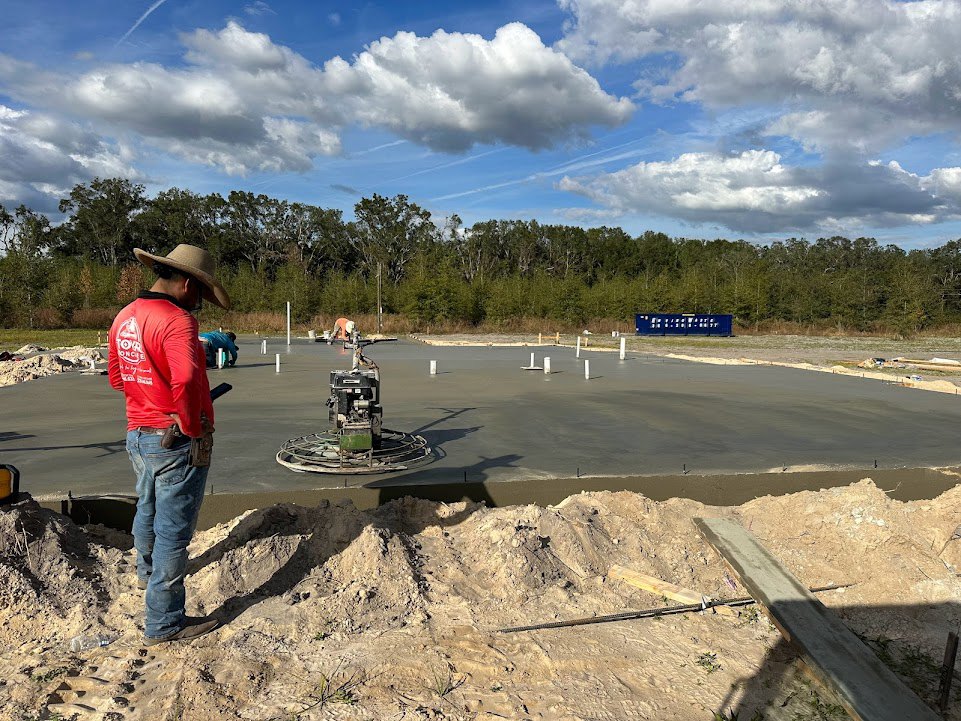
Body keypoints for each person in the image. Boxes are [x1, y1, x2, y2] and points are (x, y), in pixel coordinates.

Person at [108, 243, 230, 646]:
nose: (199, 304)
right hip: (174, 439)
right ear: (187, 284)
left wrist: (149, 398)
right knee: (174, 531)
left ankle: (145, 572)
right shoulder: (177, 321)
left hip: (138, 433)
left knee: (147, 505)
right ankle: (164, 621)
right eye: (199, 294)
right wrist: (190, 425)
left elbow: (117, 377)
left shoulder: (125, 316)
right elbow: (183, 379)